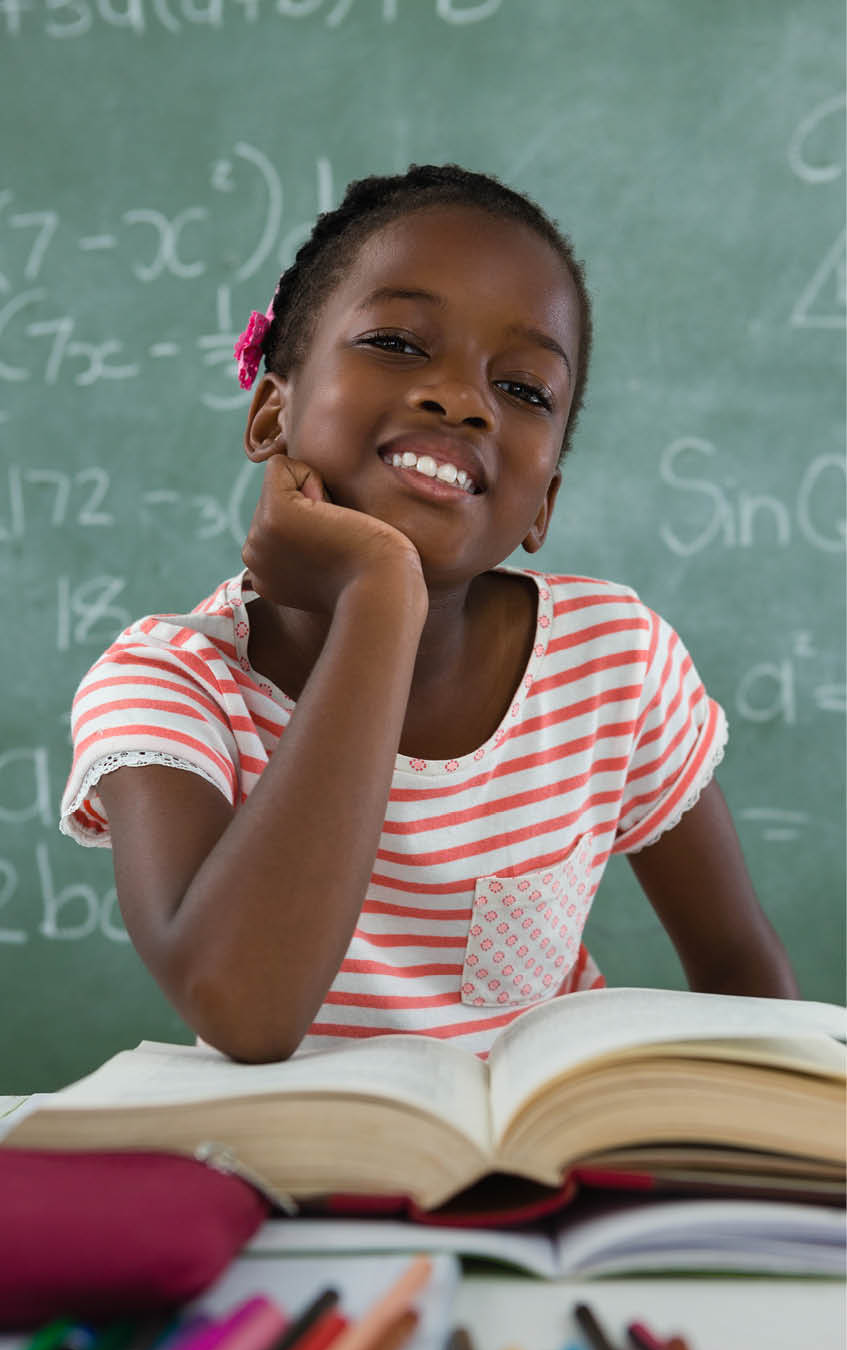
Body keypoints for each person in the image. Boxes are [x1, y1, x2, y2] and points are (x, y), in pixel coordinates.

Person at [60, 164, 798, 1064]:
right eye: (398, 343)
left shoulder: (615, 663)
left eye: (524, 390)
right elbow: (244, 1009)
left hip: (542, 1173)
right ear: (268, 415)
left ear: (542, 508)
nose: (460, 399)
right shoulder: (170, 684)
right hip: (294, 1182)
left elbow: (735, 962)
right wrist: (379, 596)